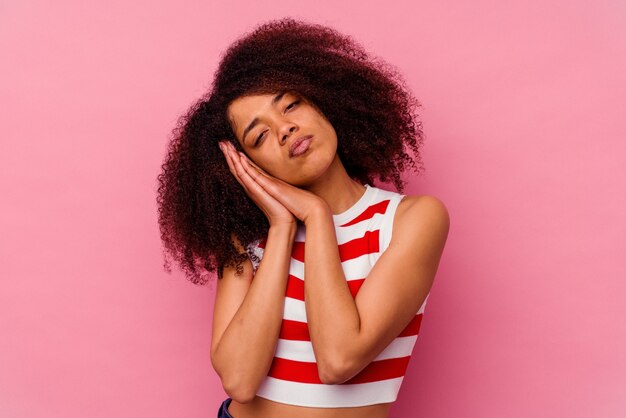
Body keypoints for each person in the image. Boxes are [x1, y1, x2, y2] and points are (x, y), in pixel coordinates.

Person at [156, 17, 449, 418]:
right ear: (247, 165)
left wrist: (316, 215)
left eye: (291, 104)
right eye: (259, 136)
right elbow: (239, 380)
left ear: (323, 99)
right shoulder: (249, 241)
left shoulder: (409, 219)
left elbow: (339, 359)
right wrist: (281, 228)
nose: (286, 128)